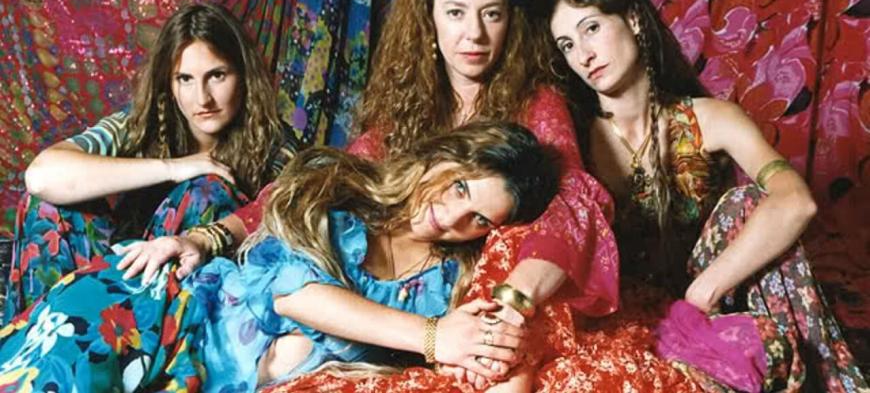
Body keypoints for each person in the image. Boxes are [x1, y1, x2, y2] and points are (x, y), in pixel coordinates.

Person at [117, 0, 620, 391]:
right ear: (430, 19)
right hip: (388, 304)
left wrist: (512, 300)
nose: (474, 33)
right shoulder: (409, 106)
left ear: (511, 22)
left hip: (487, 293)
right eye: (455, 13)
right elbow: (320, 183)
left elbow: (572, 202)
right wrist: (208, 237)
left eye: (491, 14)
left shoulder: (537, 102)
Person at [0, 121, 560, 393]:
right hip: (167, 309)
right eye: (459, 187)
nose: (451, 216)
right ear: (444, 159)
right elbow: (292, 294)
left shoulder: (444, 286)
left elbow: (503, 368)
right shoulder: (339, 190)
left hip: (204, 381)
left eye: (479, 219)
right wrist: (433, 337)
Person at [540, 0, 868, 392]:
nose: (583, 54)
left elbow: (796, 203)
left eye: (591, 28)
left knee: (747, 204)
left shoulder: (710, 119)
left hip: (709, 303)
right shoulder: (573, 139)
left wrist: (704, 290)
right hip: (625, 320)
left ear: (633, 20)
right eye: (567, 44)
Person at [3, 2, 299, 322]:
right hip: (119, 279)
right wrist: (175, 167)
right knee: (47, 205)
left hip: (198, 299)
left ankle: (129, 342)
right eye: (185, 79)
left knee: (206, 190)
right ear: (169, 83)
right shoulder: (142, 125)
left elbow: (284, 217)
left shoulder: (275, 143)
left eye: (217, 75)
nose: (203, 98)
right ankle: (37, 339)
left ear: (243, 75)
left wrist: (201, 228)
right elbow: (41, 177)